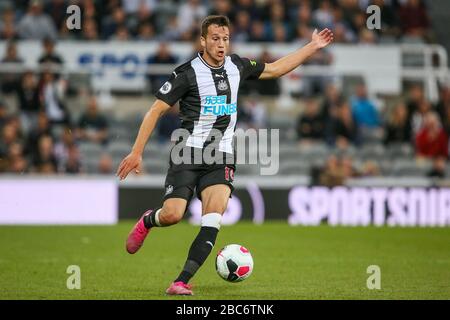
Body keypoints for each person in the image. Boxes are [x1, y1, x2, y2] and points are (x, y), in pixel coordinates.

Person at [116, 15, 333, 296]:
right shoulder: (187, 73)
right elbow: (155, 110)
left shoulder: (237, 65)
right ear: (203, 41)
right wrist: (136, 152)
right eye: (216, 39)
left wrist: (312, 46)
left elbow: (277, 68)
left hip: (221, 156)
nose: (221, 45)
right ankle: (149, 220)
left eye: (226, 39)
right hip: (187, 153)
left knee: (213, 218)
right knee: (172, 215)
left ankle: (180, 281)